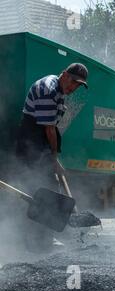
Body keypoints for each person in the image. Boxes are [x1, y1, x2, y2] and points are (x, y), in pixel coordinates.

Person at [15, 62, 88, 251]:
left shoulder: (59, 92)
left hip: (40, 142)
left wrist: (53, 156)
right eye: (73, 82)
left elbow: (51, 128)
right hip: (30, 142)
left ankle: (44, 236)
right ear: (64, 75)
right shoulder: (49, 89)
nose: (73, 88)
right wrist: (54, 159)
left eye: (77, 85)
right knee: (40, 189)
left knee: (49, 187)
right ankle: (36, 239)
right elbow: (48, 129)